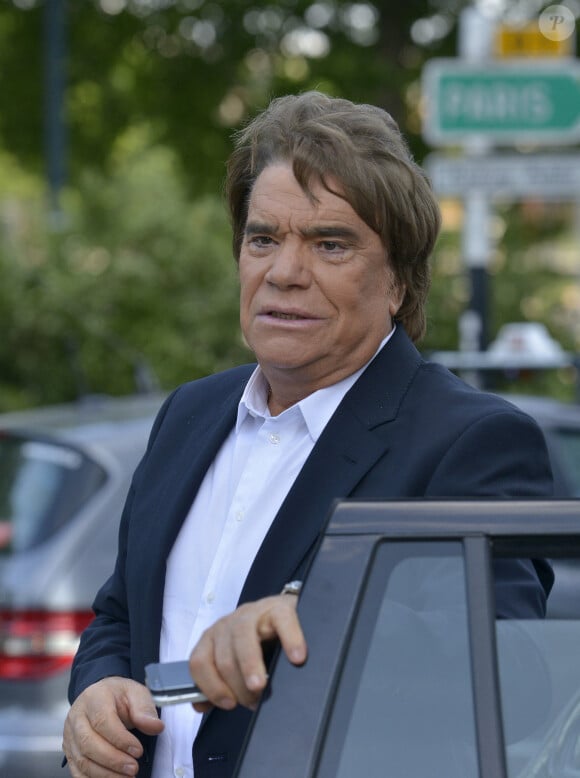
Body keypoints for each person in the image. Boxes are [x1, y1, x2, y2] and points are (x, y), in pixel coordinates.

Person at [62, 91, 554, 778]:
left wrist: (307, 617)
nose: (285, 273)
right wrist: (96, 690)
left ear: (399, 286)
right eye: (264, 238)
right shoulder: (190, 416)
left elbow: (517, 673)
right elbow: (120, 615)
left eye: (331, 244)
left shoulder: (469, 439)